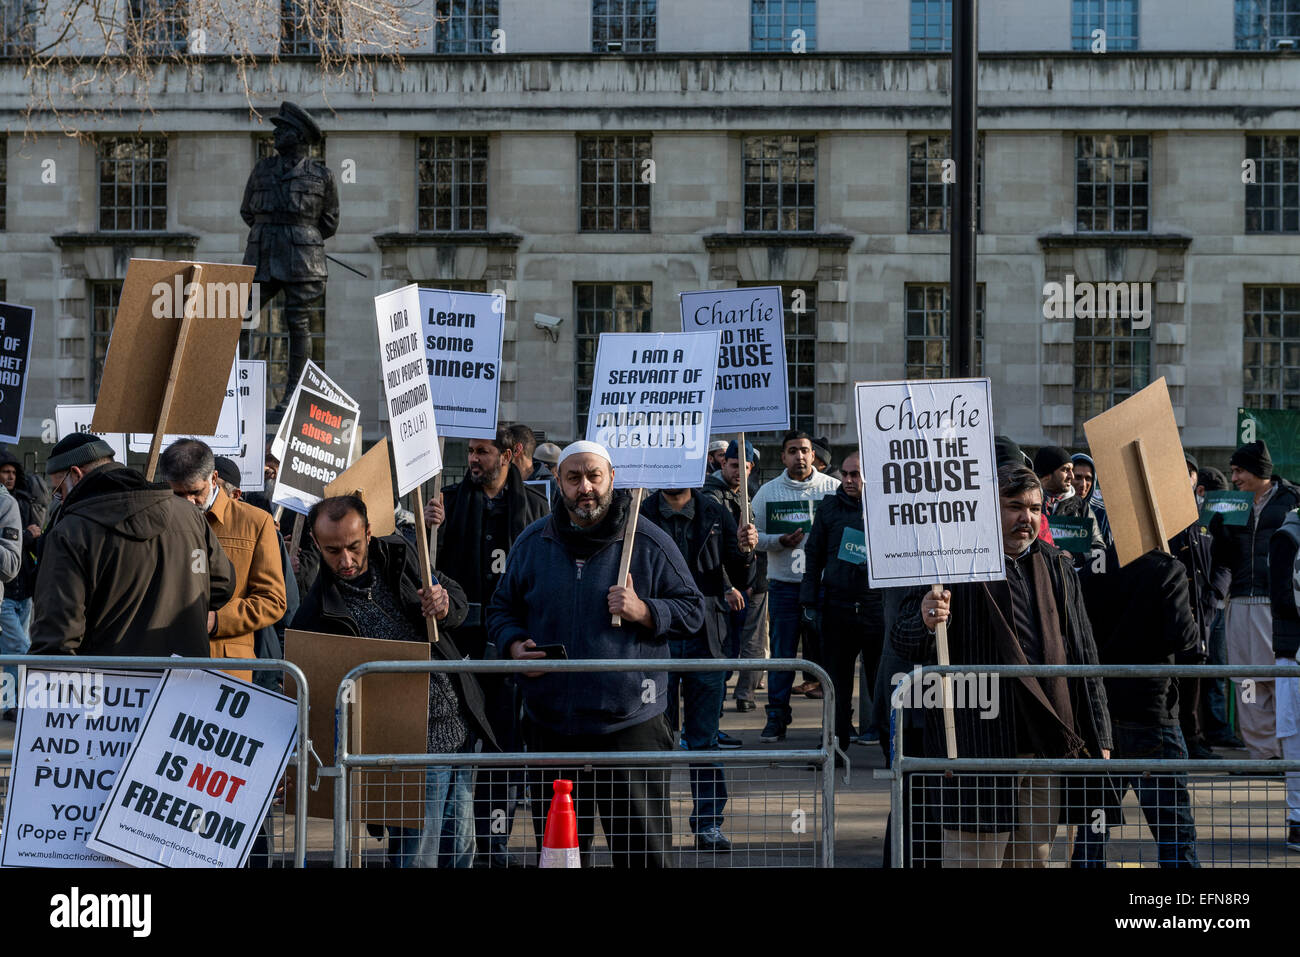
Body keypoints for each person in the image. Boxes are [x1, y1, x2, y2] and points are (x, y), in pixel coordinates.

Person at [486, 440, 705, 867]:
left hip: (630, 727)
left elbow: (694, 611)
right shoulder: (534, 542)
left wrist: (645, 610)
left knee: (642, 855)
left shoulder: (648, 541)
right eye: (573, 478)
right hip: (553, 728)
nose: (584, 487)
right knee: (562, 855)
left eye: (593, 476)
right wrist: (513, 644)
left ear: (612, 478)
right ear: (557, 481)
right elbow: (501, 608)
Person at [891, 465, 1113, 867]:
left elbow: (1084, 655)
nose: (1025, 518)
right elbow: (902, 639)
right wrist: (926, 618)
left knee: (1032, 860)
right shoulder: (950, 564)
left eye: (1032, 508)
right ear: (987, 510)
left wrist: (1100, 733)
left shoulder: (1057, 564)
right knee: (975, 860)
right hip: (977, 744)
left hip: (1048, 739)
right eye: (1013, 507)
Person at [291, 494, 493, 868]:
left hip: (459, 731)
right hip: (406, 750)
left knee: (462, 851)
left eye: (353, 546)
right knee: (418, 857)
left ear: (369, 533)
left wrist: (445, 605)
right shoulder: (315, 612)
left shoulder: (403, 555)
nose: (346, 560)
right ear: (316, 544)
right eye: (333, 550)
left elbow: (459, 600)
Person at [423, 425, 549, 867]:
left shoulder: (536, 508)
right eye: (470, 451)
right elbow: (425, 571)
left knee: (501, 747)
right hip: (458, 644)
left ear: (509, 454)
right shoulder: (448, 504)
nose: (473, 459)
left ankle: (494, 842)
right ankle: (451, 847)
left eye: (482, 451)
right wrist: (426, 529)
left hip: (509, 643)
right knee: (452, 746)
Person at [30, 433, 235, 658]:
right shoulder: (189, 514)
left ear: (76, 475)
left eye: (59, 490)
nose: (60, 498)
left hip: (111, 682)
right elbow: (222, 585)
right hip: (185, 678)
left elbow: (57, 631)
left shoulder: (71, 530)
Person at [639, 481, 754, 851]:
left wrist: (746, 551)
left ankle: (708, 823)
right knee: (655, 737)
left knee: (704, 738)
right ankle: (652, 826)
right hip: (657, 635)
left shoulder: (715, 512)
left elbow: (741, 576)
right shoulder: (641, 512)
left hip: (707, 640)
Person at [1074, 543, 1201, 868]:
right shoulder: (1165, 568)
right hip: (1151, 710)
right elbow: (1185, 638)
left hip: (1103, 713)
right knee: (1174, 832)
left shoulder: (1094, 568)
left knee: (1093, 830)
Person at [159, 440, 287, 682]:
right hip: (170, 659)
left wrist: (217, 620)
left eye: (196, 492)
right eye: (178, 494)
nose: (188, 502)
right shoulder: (158, 520)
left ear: (214, 478)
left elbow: (273, 601)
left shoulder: (256, 522)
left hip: (227, 666)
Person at [240, 100, 339, 411]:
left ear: (296, 136)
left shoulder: (322, 176)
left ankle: (293, 396)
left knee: (298, 323)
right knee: (239, 317)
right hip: (263, 254)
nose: (275, 135)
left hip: (302, 261)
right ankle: (238, 393)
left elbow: (330, 221)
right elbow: (247, 212)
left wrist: (297, 236)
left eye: (281, 129)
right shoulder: (262, 170)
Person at [1209, 440, 1300, 761]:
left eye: (1239, 471)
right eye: (1232, 471)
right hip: (1240, 603)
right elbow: (1221, 559)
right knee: (1246, 680)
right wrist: (1218, 532)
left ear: (1259, 471)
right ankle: (1262, 756)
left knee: (1281, 680)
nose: (1233, 478)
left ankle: (1288, 753)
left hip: (1279, 607)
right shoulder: (1232, 505)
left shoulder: (1292, 500)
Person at [751, 430, 840, 741]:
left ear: (813, 455)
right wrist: (778, 541)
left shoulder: (833, 489)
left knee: (832, 657)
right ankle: (776, 717)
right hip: (785, 587)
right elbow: (753, 538)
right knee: (783, 655)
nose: (799, 456)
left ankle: (837, 723)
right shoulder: (767, 492)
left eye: (804, 450)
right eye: (792, 451)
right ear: (783, 457)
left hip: (825, 588)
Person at [799, 450, 883, 757]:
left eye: (855, 475)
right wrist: (809, 600)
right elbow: (814, 553)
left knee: (881, 682)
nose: (848, 480)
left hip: (875, 606)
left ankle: (892, 748)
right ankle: (833, 746)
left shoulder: (884, 506)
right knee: (836, 683)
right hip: (837, 605)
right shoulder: (829, 506)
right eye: (845, 474)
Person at [702, 439, 769, 713]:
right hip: (723, 586)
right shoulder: (710, 496)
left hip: (752, 580)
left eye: (745, 466)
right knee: (720, 648)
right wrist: (728, 586)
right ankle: (714, 708)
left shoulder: (748, 492)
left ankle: (745, 695)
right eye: (733, 465)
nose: (739, 471)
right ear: (722, 464)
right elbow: (710, 547)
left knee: (753, 643)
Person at [0, 448, 44, 713]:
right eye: (5, 471)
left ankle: (12, 704)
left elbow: (34, 538)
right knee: (20, 649)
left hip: (23, 590)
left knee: (12, 653)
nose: (10, 477)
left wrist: (27, 537)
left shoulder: (22, 503)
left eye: (13, 472)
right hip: (5, 595)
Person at [1269, 506, 1300, 851]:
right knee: (1295, 742)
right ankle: (1297, 822)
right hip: (1293, 656)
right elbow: (1282, 599)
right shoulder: (1287, 535)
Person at [1034, 445, 1103, 560]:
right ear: (1048, 474)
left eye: (1071, 470)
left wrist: (1074, 556)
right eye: (1066, 470)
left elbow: (1099, 550)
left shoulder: (1082, 508)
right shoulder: (1028, 504)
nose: (1071, 476)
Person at [1069, 452, 1111, 546]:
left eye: (1088, 478)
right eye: (1078, 477)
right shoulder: (1055, 508)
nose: (1083, 484)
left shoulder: (1101, 512)